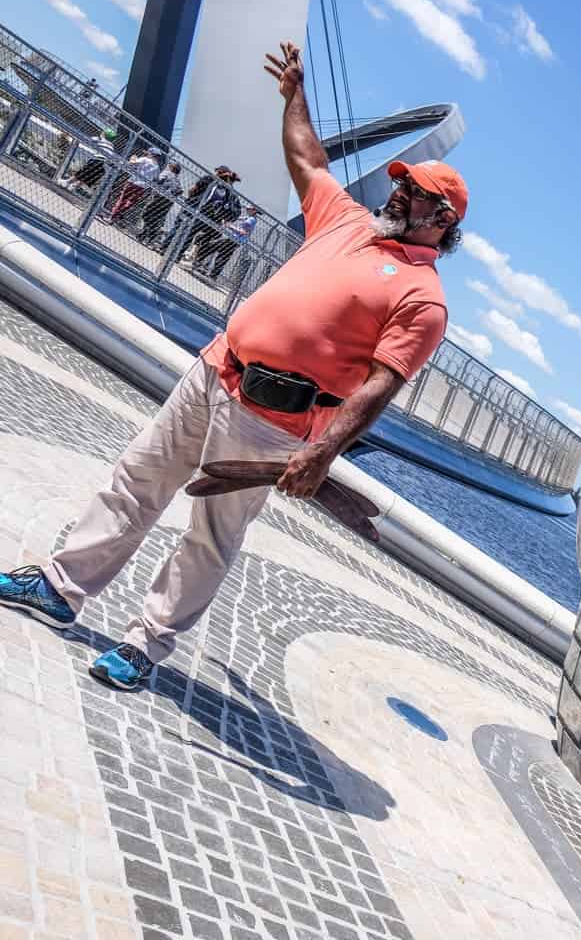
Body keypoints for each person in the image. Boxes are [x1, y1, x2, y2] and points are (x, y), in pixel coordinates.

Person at [0, 40, 463, 691]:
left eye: (411, 192)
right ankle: (60, 586)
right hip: (214, 371)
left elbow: (380, 386)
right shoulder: (346, 221)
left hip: (274, 421)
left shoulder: (423, 298)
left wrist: (323, 453)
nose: (398, 193)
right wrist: (295, 96)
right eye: (400, 185)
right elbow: (308, 156)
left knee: (210, 535)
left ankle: (145, 644)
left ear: (439, 219)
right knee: (137, 478)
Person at [196, 204, 258, 279]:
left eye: (249, 209)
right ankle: (213, 275)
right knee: (223, 255)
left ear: (254, 211)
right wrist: (228, 219)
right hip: (235, 240)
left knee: (213, 246)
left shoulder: (251, 220)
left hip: (234, 239)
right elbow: (239, 218)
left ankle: (198, 261)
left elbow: (243, 232)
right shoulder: (250, 218)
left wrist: (230, 226)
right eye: (247, 209)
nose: (247, 210)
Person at [103, 147, 162, 224]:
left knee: (122, 199)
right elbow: (156, 178)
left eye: (149, 153)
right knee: (130, 202)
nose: (147, 154)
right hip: (143, 187)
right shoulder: (157, 167)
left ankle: (112, 216)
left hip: (133, 182)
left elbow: (132, 163)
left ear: (152, 154)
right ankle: (117, 214)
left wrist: (133, 158)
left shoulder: (145, 159)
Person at [140, 161, 183, 245]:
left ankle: (147, 234)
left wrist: (154, 180)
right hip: (168, 201)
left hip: (159, 197)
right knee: (156, 218)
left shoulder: (167, 173)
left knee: (146, 214)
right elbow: (180, 191)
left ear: (171, 167)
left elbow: (160, 180)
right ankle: (147, 236)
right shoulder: (177, 180)